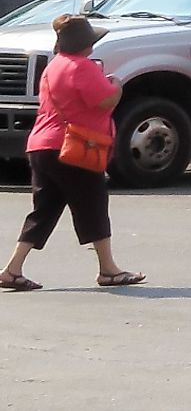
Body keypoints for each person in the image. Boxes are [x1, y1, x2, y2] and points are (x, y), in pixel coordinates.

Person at [1, 15, 139, 291]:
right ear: (86, 43)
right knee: (93, 203)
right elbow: (105, 100)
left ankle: (12, 269)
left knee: (45, 208)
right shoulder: (83, 67)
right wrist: (118, 85)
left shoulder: (53, 67)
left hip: (41, 145)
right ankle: (108, 270)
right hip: (74, 146)